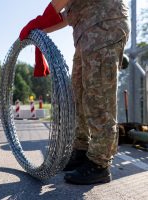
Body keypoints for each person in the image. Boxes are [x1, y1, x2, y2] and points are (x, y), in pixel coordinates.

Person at [20, 0, 129, 185]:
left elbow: (58, 5)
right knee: (77, 95)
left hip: (104, 26)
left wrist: (38, 22)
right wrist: (42, 30)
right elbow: (66, 16)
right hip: (87, 32)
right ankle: (80, 150)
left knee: (97, 95)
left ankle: (99, 163)